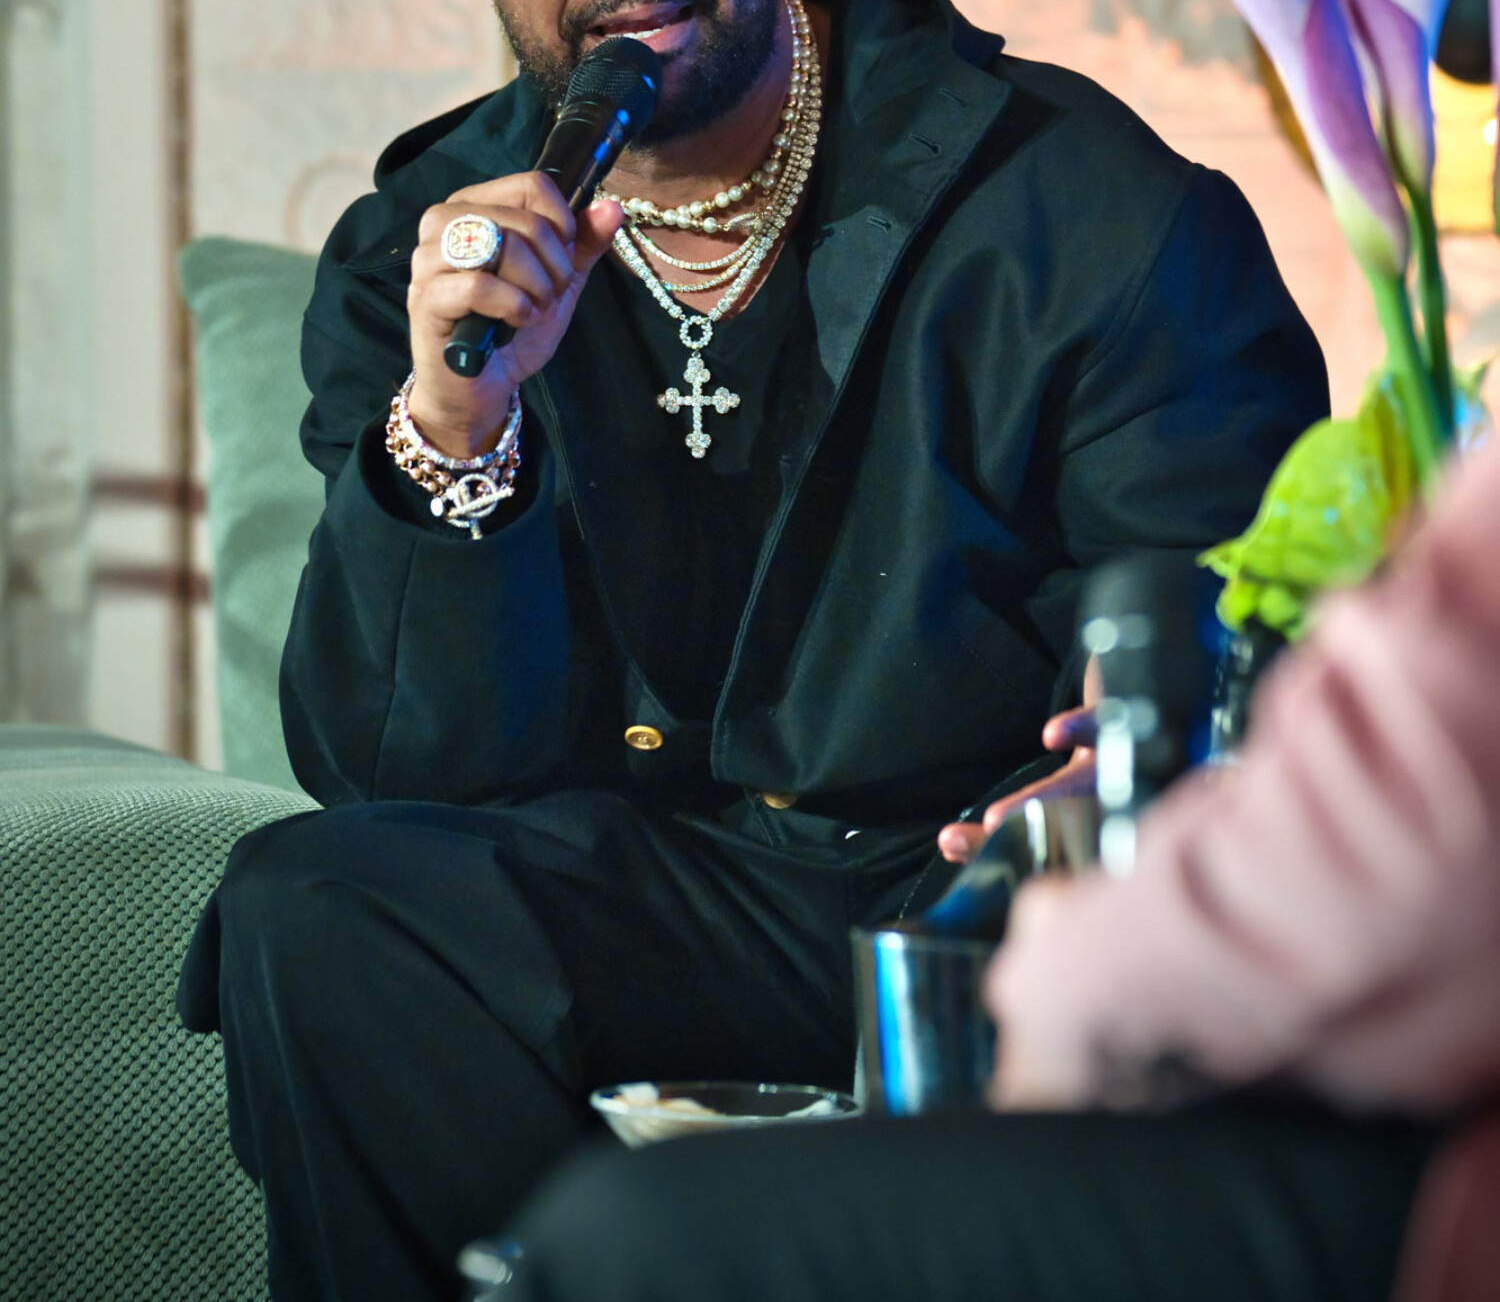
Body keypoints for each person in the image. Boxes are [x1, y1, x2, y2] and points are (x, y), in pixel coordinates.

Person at [177, 0, 1327, 1302]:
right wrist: (456, 422)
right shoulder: (423, 254)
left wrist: (1130, 753)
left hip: (979, 878)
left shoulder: (1077, 201)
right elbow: (394, 768)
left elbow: (1224, 589)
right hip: (662, 882)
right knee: (314, 902)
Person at [497, 435, 1500, 1302]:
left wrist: (1070, 967)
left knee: (632, 1243)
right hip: (700, 868)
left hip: (1413, 1169)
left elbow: (1403, 854)